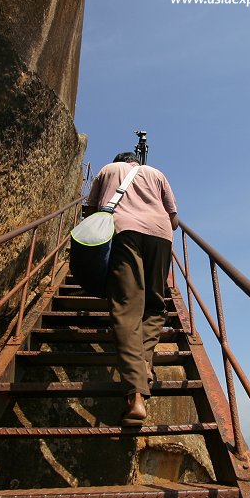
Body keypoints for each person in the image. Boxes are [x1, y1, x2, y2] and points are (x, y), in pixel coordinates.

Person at [84, 151, 178, 426]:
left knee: (127, 308)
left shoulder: (107, 170)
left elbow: (90, 212)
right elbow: (174, 218)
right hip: (161, 236)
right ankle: (143, 366)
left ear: (119, 159)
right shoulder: (157, 173)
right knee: (154, 306)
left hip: (124, 233)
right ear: (136, 162)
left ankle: (135, 396)